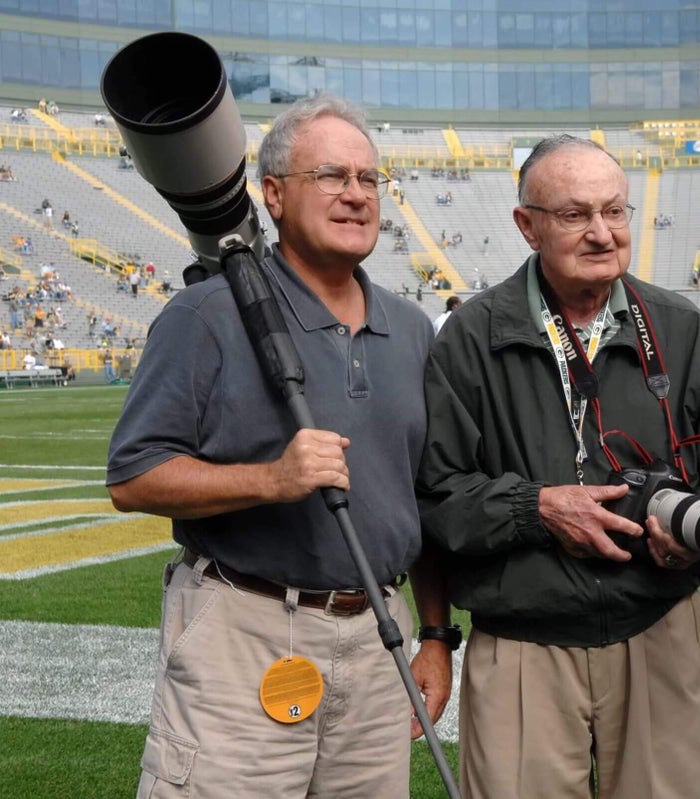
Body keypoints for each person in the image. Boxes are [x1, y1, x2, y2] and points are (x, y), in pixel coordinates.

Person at [106, 94, 452, 799]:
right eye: (331, 176)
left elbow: (427, 497)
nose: (356, 195)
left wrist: (439, 635)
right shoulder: (206, 313)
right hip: (247, 630)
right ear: (272, 194)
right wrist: (269, 479)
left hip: (378, 634)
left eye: (368, 179)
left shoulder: (413, 327)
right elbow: (133, 476)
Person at [416, 134, 700, 799]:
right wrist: (535, 508)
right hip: (523, 643)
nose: (602, 233)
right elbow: (435, 499)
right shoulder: (471, 336)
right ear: (526, 225)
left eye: (615, 211)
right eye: (574, 214)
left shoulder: (680, 326)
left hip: (658, 627)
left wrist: (694, 541)